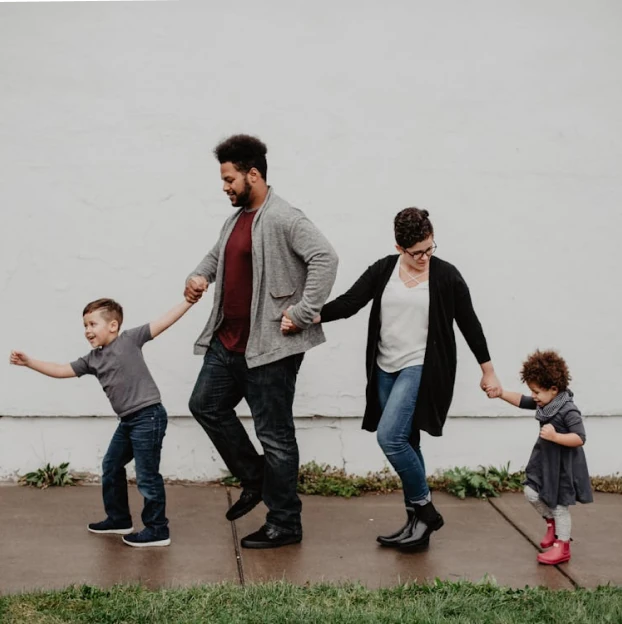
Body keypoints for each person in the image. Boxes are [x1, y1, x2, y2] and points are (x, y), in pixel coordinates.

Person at [282, 207, 500, 551]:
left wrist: (488, 370)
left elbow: (469, 323)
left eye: (430, 248)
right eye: (417, 252)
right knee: (408, 442)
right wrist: (306, 318)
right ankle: (417, 525)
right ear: (400, 248)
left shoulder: (446, 276)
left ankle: (426, 511)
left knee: (391, 438)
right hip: (384, 368)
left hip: (420, 367)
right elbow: (350, 303)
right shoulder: (385, 269)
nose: (425, 257)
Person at [185, 134, 338, 549]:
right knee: (205, 405)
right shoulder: (235, 219)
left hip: (269, 348)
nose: (225, 186)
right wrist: (198, 276)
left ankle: (285, 522)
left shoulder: (284, 217)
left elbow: (326, 258)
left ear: (253, 174)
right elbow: (217, 256)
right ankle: (255, 480)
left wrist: (303, 312)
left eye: (230, 178)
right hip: (228, 342)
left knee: (275, 436)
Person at [9, 297, 194, 547]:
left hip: (148, 416)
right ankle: (119, 519)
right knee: (111, 465)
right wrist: (29, 362)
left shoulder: (130, 339)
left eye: (92, 324)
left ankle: (157, 529)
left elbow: (164, 321)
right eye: (85, 325)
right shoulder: (92, 359)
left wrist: (189, 301)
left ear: (113, 325)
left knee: (147, 475)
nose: (87, 331)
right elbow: (61, 369)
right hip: (128, 421)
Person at [486, 349, 592, 565]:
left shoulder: (568, 410)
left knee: (559, 506)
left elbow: (580, 437)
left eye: (537, 391)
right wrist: (500, 393)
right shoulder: (546, 402)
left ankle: (562, 546)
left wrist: (555, 436)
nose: (533, 396)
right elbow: (522, 400)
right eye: (532, 391)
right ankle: (551, 524)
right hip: (545, 462)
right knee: (531, 492)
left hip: (562, 466)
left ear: (554, 389)